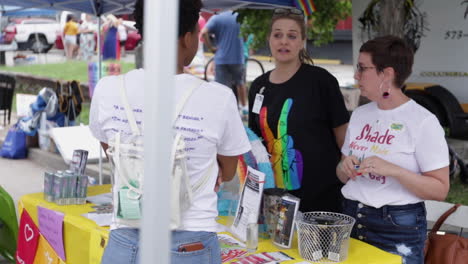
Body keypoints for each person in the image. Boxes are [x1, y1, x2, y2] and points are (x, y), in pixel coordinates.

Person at [89, 0, 250, 263]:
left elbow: (113, 152)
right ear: (188, 38)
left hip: (123, 240)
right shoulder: (218, 98)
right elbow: (229, 172)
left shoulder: (108, 89)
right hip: (192, 242)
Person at [337, 35, 449, 264]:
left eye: (362, 68)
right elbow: (341, 173)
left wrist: (394, 170)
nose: (356, 75)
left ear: (386, 74)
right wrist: (344, 166)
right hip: (349, 217)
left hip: (396, 227)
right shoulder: (359, 115)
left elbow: (440, 189)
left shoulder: (422, 121)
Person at [248, 8, 349, 213]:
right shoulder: (258, 86)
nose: (284, 41)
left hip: (321, 198)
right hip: (274, 200)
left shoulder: (321, 81)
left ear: (302, 41)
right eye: (278, 35)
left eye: (292, 36)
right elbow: (254, 143)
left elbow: (345, 140)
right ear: (269, 39)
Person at [201, 11, 248, 114]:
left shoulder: (216, 18)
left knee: (222, 88)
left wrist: (211, 48)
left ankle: (224, 111)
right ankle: (244, 108)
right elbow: (245, 36)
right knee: (240, 83)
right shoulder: (239, 16)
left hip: (221, 58)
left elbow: (204, 32)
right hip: (237, 57)